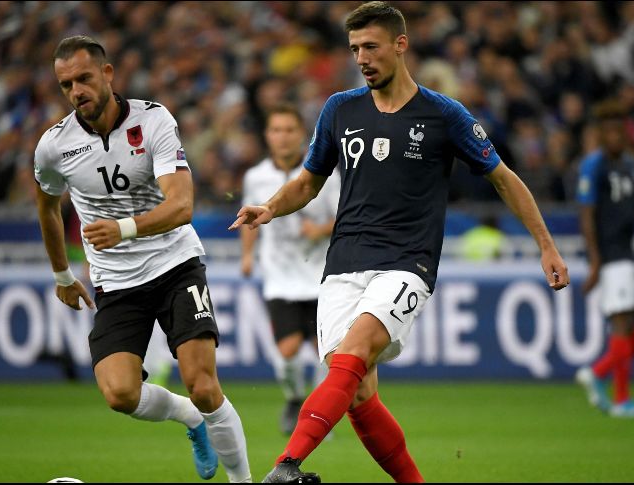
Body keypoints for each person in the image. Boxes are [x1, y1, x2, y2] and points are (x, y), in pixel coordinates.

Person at [229, 2, 570, 483]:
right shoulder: (339, 109)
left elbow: (504, 179)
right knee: (357, 389)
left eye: (371, 46)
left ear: (400, 44)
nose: (362, 58)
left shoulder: (443, 113)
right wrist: (271, 207)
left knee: (352, 357)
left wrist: (546, 245)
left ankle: (286, 465)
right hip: (343, 262)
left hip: (406, 264)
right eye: (354, 49)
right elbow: (308, 181)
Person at [34, 35, 251, 482]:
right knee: (119, 393)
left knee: (204, 386)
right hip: (115, 282)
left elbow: (182, 206)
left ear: (107, 74)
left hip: (175, 265)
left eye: (84, 78)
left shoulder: (153, 121)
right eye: (66, 85)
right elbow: (47, 206)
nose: (76, 91)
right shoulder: (54, 146)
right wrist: (61, 273)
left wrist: (123, 228)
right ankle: (190, 419)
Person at [240, 104, 340, 435]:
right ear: (267, 136)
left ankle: (321, 412)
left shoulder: (326, 174)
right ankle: (296, 399)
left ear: (302, 136)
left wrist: (322, 229)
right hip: (280, 277)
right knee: (287, 352)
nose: (282, 137)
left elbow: (344, 215)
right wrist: (247, 255)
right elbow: (247, 218)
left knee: (325, 352)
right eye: (275, 130)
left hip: (319, 275)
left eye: (289, 130)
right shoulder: (255, 177)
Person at [574, 100, 634, 418]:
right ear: (600, 134)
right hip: (611, 257)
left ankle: (598, 371)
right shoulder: (593, 166)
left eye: (619, 131)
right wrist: (596, 262)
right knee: (622, 325)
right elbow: (586, 215)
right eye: (608, 131)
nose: (614, 136)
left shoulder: (629, 166)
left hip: (630, 253)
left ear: (626, 134)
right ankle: (621, 398)